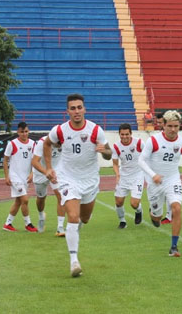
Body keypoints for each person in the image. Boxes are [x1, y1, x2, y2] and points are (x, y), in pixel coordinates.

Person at [42, 93, 112, 277]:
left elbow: (109, 154)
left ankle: (75, 229)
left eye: (79, 107)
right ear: (67, 111)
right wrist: (49, 167)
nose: (76, 111)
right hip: (68, 178)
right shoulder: (60, 130)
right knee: (72, 216)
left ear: (84, 109)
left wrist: (104, 151)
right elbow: (47, 144)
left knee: (84, 218)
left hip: (90, 180)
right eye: (73, 108)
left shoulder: (95, 130)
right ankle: (74, 261)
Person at [138, 110, 182, 257]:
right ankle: (154, 214)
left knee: (176, 208)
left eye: (176, 126)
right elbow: (141, 160)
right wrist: (153, 175)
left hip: (173, 179)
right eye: (169, 126)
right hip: (155, 183)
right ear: (163, 125)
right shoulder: (154, 141)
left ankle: (174, 247)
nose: (173, 129)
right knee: (157, 217)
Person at [2, 122, 38, 232]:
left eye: (26, 131)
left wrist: (32, 173)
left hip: (25, 178)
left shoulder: (32, 144)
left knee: (18, 201)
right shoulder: (12, 144)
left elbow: (35, 160)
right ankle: (28, 224)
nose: (24, 134)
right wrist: (7, 176)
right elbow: (5, 160)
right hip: (15, 177)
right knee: (25, 200)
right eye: (22, 132)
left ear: (28, 131)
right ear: (18, 132)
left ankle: (7, 223)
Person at [31, 133, 66, 236]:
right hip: (40, 172)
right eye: (58, 143)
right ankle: (41, 216)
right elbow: (34, 162)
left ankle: (60, 228)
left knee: (61, 196)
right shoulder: (42, 143)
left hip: (56, 171)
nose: (60, 146)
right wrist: (46, 172)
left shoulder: (65, 142)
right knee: (41, 198)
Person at [111, 123, 144, 229]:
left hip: (138, 175)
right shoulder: (116, 146)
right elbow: (115, 164)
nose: (124, 137)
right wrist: (117, 174)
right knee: (118, 202)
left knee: (134, 204)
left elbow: (148, 155)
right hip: (123, 176)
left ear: (131, 133)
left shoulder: (139, 143)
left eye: (127, 134)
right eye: (122, 134)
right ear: (119, 134)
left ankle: (138, 211)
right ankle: (122, 221)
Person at [153, 112, 172, 226]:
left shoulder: (170, 136)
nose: (159, 124)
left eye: (160, 122)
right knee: (160, 193)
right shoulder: (158, 136)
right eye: (157, 122)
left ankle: (169, 216)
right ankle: (157, 210)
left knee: (169, 193)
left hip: (168, 170)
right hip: (159, 169)